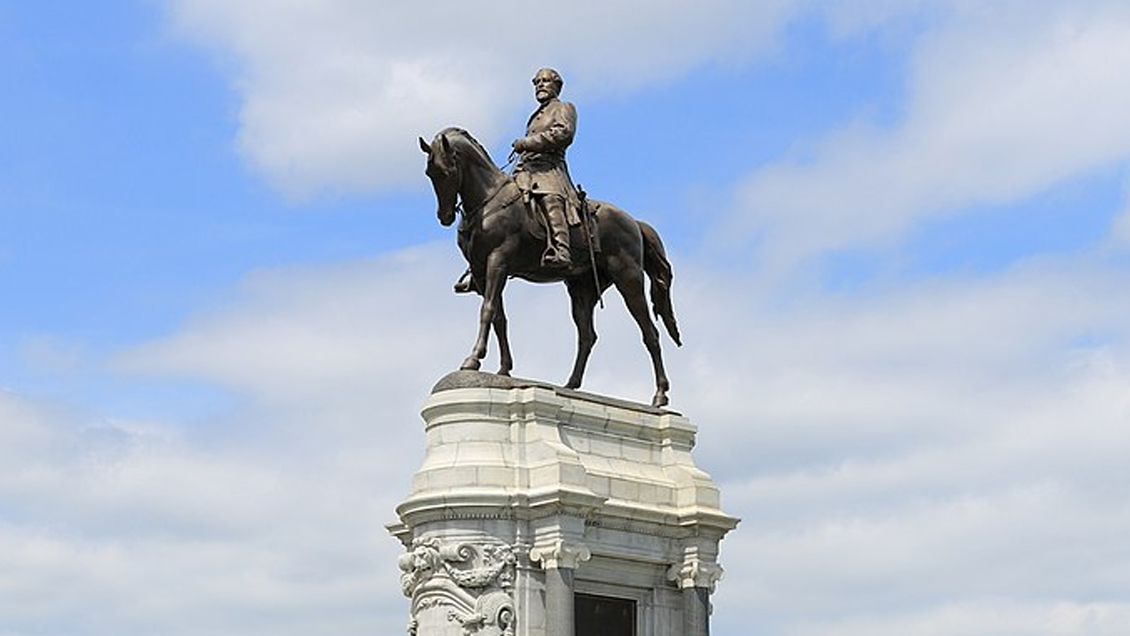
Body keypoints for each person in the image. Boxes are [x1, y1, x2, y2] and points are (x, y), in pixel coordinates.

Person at [454, 68, 579, 293]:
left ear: (556, 86)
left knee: (549, 199)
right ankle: (478, 266)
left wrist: (528, 143)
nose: (540, 85)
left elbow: (563, 134)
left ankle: (561, 249)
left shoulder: (563, 108)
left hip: (549, 170)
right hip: (525, 172)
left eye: (545, 81)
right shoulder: (536, 115)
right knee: (500, 206)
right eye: (537, 82)